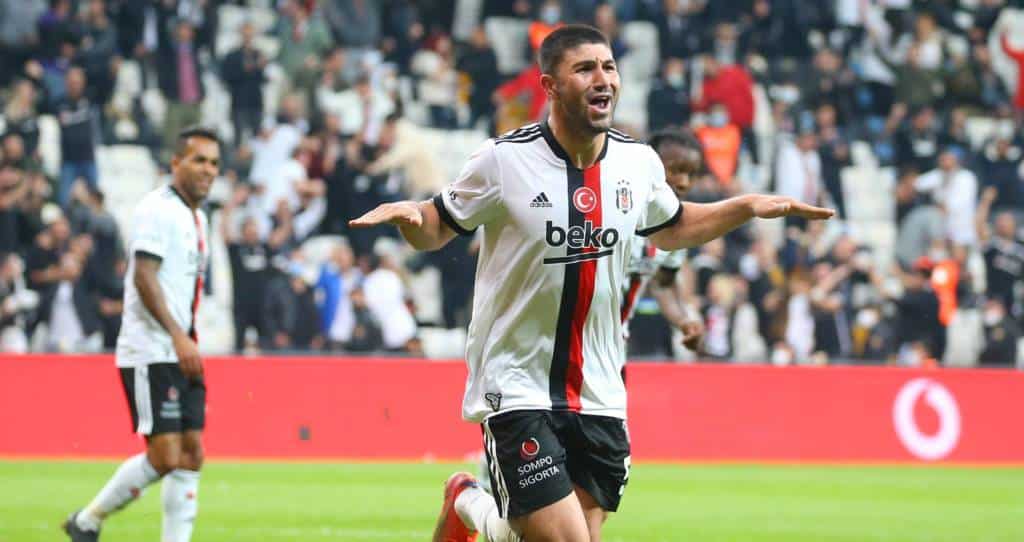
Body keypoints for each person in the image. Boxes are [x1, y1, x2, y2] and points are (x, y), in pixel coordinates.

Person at [350, 25, 832, 542]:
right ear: (551, 85)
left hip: (601, 389)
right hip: (518, 383)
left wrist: (745, 207)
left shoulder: (637, 163)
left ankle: (466, 500)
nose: (603, 79)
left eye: (609, 67)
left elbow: (672, 227)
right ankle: (469, 501)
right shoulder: (503, 161)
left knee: (551, 534)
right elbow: (437, 227)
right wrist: (412, 219)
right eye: (585, 69)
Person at [63, 127, 218, 542]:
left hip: (182, 347)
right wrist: (178, 335)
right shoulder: (157, 209)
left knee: (192, 453)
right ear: (176, 163)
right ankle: (88, 520)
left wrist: (186, 339)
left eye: (214, 163)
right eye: (199, 160)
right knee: (165, 455)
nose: (208, 170)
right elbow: (144, 277)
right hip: (151, 349)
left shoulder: (199, 218)